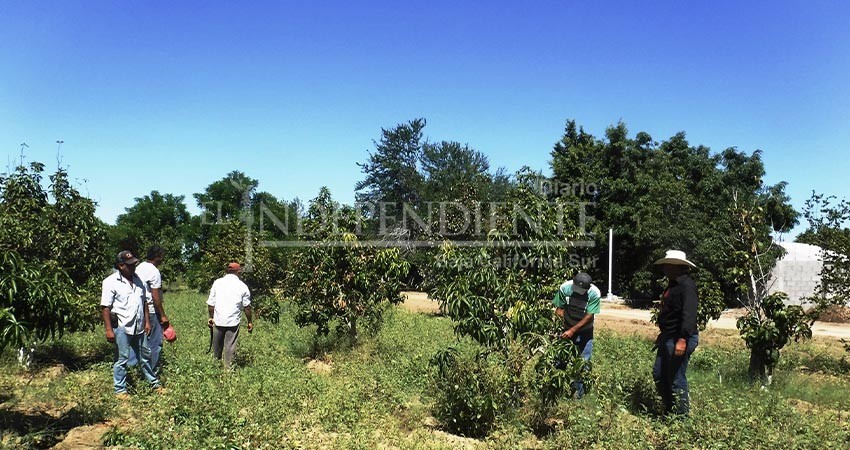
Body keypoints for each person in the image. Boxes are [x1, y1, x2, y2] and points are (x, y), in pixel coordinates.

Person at [101, 250, 161, 396]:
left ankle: (154, 384)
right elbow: (105, 307)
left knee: (145, 356)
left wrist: (147, 322)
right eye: (130, 265)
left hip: (139, 325)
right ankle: (120, 390)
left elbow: (144, 302)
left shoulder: (139, 280)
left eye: (134, 264)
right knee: (122, 359)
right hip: (122, 326)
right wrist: (108, 330)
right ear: (121, 266)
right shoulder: (110, 282)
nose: (134, 267)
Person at [652, 249, 699, 416]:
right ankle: (670, 409)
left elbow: (689, 314)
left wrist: (682, 339)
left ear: (677, 266)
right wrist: (663, 333)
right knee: (659, 374)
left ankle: (681, 417)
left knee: (676, 378)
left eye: (667, 265)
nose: (664, 268)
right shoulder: (673, 285)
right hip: (669, 336)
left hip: (680, 338)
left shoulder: (687, 286)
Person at [552, 271, 601, 398]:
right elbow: (559, 309)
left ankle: (579, 394)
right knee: (560, 359)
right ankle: (556, 389)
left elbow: (589, 316)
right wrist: (559, 328)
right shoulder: (565, 288)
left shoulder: (594, 293)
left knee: (583, 362)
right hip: (566, 329)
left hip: (585, 331)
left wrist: (572, 330)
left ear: (587, 288)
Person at [129, 245, 169, 372]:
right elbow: (155, 296)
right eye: (162, 256)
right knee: (155, 343)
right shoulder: (154, 271)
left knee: (138, 342)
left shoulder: (139, 267)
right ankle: (152, 372)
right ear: (158, 256)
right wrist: (162, 315)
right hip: (151, 311)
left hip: (139, 310)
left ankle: (133, 370)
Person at [207, 262, 253, 370]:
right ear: (239, 272)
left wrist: (211, 317)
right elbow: (247, 307)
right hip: (233, 322)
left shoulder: (217, 283)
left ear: (227, 271)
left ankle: (216, 367)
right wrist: (249, 322)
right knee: (230, 346)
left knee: (217, 346)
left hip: (218, 320)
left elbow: (211, 304)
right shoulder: (242, 286)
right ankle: (228, 370)